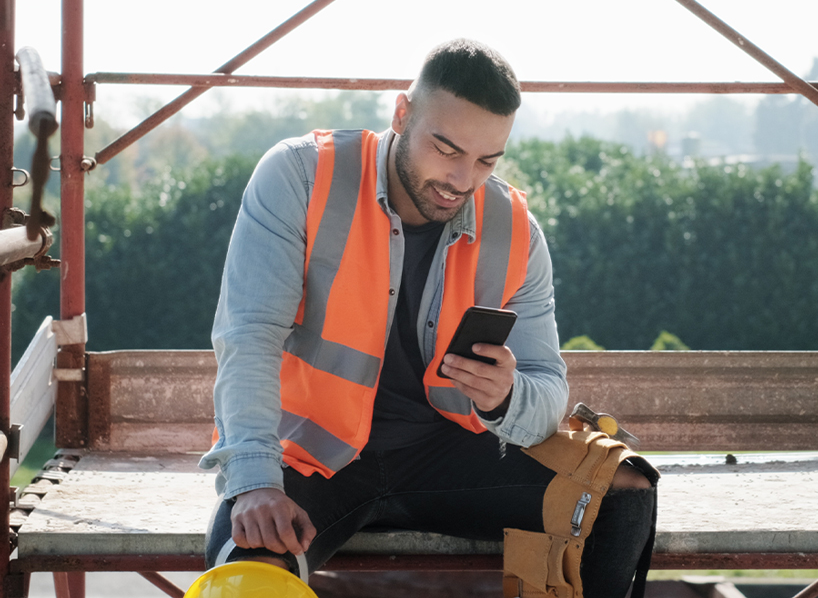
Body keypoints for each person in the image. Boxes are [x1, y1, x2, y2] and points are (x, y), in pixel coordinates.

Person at [199, 39, 657, 598]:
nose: (463, 179)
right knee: (250, 574)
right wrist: (253, 483)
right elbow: (248, 337)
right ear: (401, 114)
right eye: (447, 149)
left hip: (446, 455)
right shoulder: (300, 175)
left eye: (487, 160)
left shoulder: (516, 231)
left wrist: (507, 396)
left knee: (624, 489)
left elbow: (546, 393)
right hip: (309, 457)